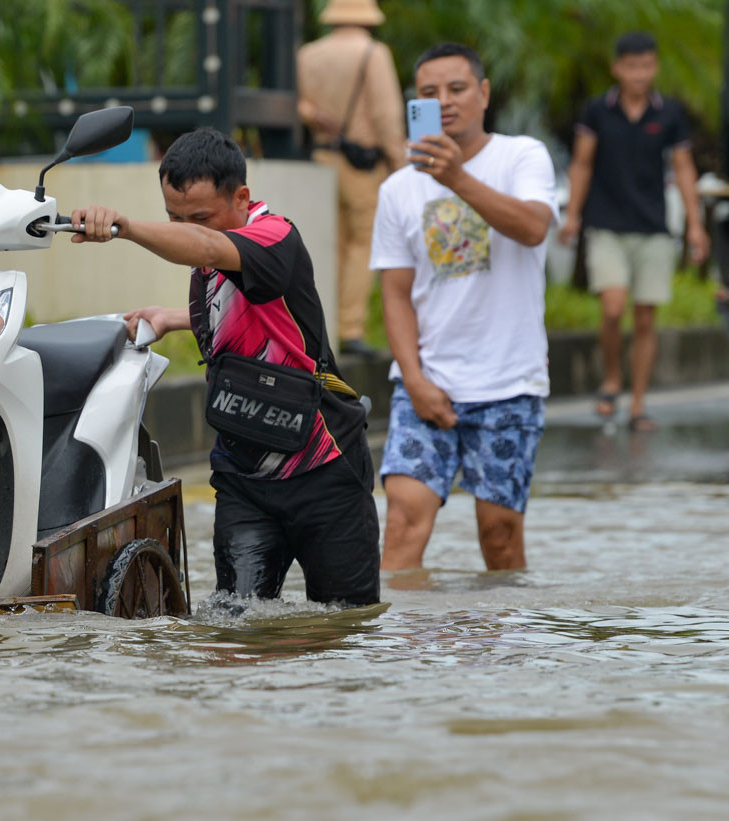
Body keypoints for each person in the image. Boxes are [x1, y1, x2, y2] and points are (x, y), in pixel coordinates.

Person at [68, 128, 380, 608]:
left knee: (344, 626)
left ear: (242, 198)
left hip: (324, 471)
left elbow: (211, 250)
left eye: (200, 219)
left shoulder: (275, 237)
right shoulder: (210, 254)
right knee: (234, 628)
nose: (187, 230)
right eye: (175, 218)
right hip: (244, 477)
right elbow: (244, 321)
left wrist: (125, 228)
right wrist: (174, 318)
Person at [371, 43, 555, 574]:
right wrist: (415, 378)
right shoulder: (397, 189)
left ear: (483, 93)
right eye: (429, 93)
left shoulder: (522, 157)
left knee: (499, 537)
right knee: (404, 518)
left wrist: (456, 179)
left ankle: (502, 648)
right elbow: (396, 293)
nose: (444, 102)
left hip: (510, 383)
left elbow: (533, 226)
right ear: (416, 102)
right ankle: (402, 650)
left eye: (456, 89)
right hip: (427, 381)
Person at [559, 32, 711, 433]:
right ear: (617, 67)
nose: (639, 74)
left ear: (654, 67)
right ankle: (612, 378)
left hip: (653, 227)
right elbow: (581, 164)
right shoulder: (597, 110)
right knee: (612, 307)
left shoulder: (669, 112)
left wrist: (695, 226)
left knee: (645, 317)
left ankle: (639, 403)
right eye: (631, 66)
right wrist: (572, 215)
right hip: (606, 223)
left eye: (646, 66)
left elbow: (682, 168)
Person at [296, 0, 407, 357]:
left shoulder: (307, 54)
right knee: (363, 243)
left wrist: (315, 117)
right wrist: (400, 163)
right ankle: (352, 329)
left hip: (322, 155)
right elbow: (386, 114)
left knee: (331, 244)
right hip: (362, 163)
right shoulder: (374, 53)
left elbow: (296, 103)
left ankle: (321, 326)